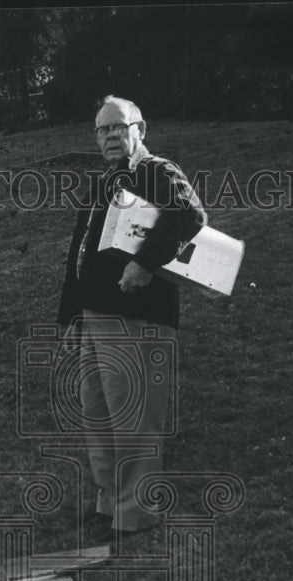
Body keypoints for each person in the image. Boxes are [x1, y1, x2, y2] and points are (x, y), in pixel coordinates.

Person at [57, 95, 207, 539]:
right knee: (98, 414)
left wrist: (144, 264)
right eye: (102, 130)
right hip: (95, 317)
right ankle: (109, 506)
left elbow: (191, 214)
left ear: (140, 128)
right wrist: (72, 316)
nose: (110, 137)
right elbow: (81, 251)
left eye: (118, 128)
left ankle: (136, 515)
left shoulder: (156, 171)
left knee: (134, 417)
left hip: (137, 319)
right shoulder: (105, 181)